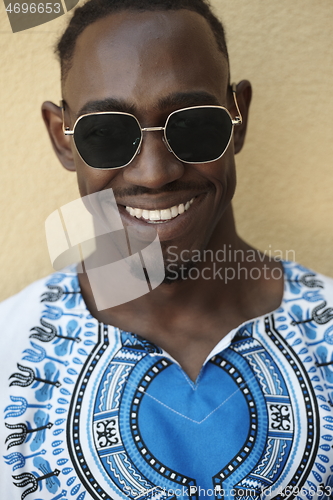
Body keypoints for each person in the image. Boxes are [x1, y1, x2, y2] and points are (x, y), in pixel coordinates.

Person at [1, 0, 333, 499]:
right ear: (62, 139)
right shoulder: (10, 355)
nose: (156, 173)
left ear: (237, 120)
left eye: (194, 124)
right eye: (108, 134)